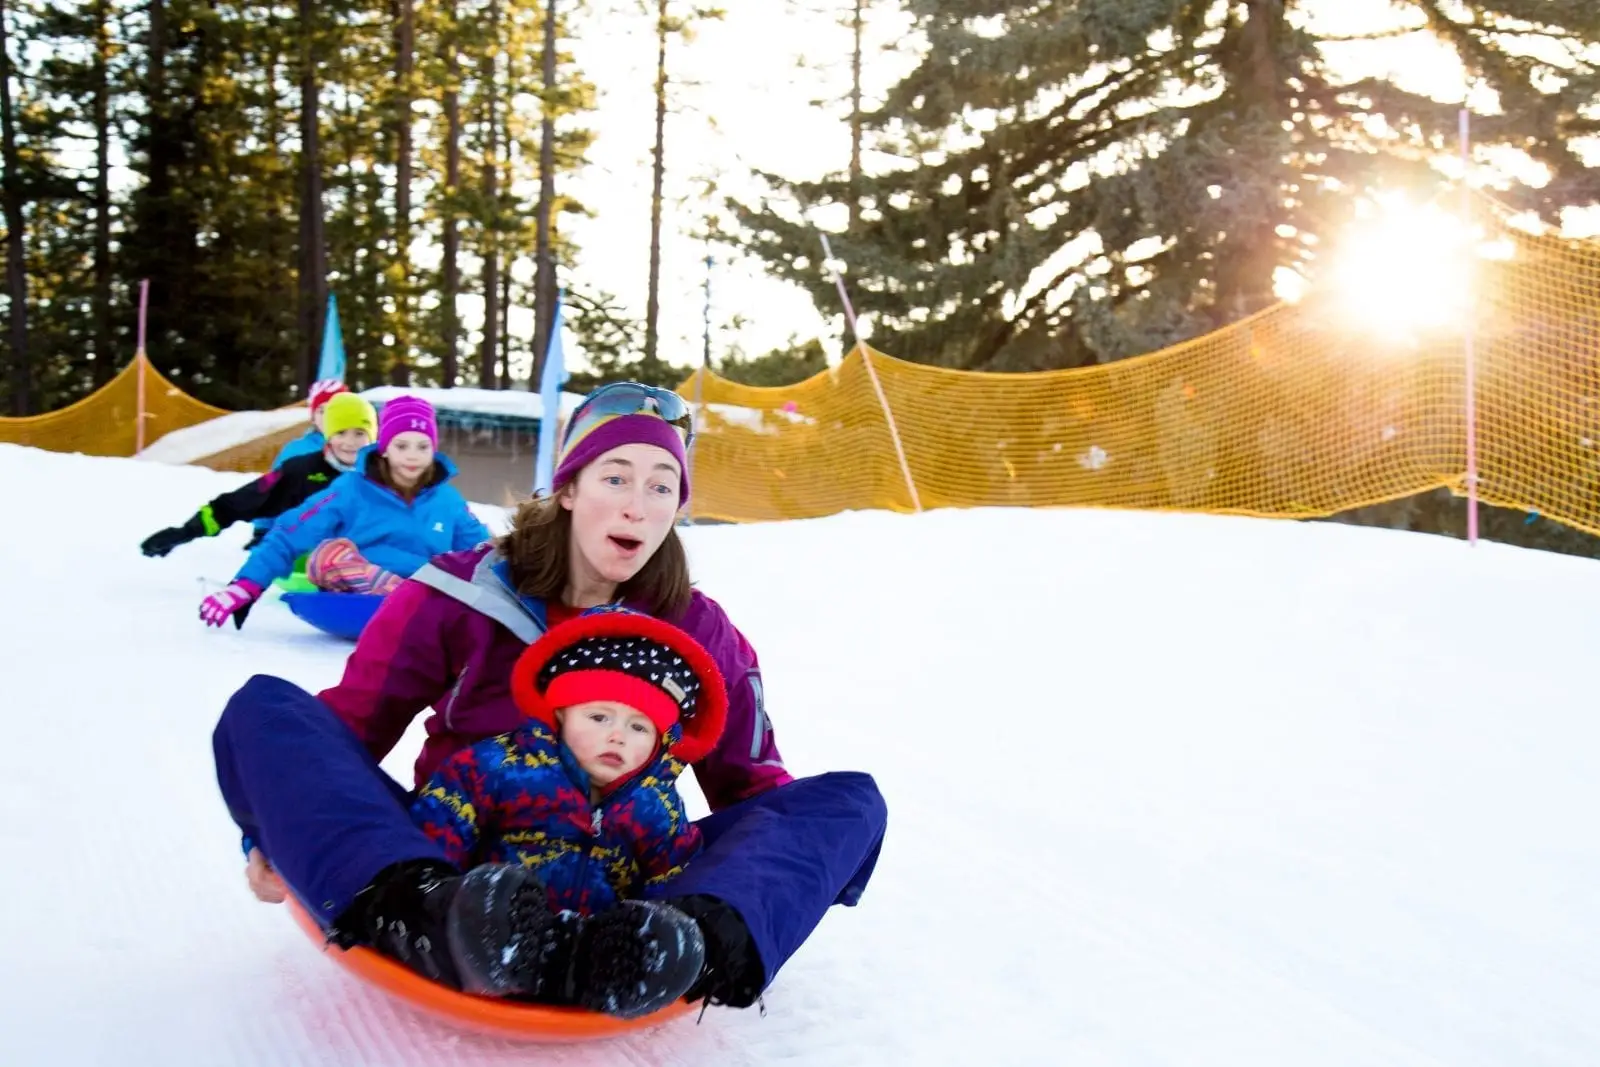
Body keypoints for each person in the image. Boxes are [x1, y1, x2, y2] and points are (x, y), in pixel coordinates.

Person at [211, 380, 887, 1019]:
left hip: (626, 895)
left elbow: (752, 783)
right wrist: (277, 824)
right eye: (616, 477)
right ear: (568, 488)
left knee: (849, 802)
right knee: (265, 711)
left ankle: (668, 950)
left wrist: (757, 882)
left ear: (677, 507)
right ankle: (425, 919)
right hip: (454, 869)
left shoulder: (700, 630)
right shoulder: (459, 593)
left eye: (661, 486)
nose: (636, 504)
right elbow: (349, 727)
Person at [406, 605, 729, 1014]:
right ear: (558, 715)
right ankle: (490, 949)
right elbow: (443, 822)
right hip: (496, 929)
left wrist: (664, 926)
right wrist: (435, 887)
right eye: (598, 716)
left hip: (591, 944)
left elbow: (674, 874)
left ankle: (615, 979)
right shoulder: (502, 766)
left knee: (666, 928)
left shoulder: (657, 804)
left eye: (639, 727)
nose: (617, 736)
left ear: (661, 743)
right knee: (488, 893)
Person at [199, 395, 490, 628]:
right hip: (357, 591)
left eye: (422, 446)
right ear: (385, 448)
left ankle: (410, 598)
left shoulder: (447, 501)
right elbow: (291, 532)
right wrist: (246, 586)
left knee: (459, 574)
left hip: (424, 589)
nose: (413, 455)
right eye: (402, 445)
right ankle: (402, 596)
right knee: (328, 555)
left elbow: (484, 553)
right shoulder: (351, 490)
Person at [139, 393, 379, 559]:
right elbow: (243, 500)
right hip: (313, 560)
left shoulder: (385, 473)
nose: (350, 443)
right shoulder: (302, 470)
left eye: (360, 433)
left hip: (375, 559)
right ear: (327, 434)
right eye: (341, 432)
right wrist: (186, 531)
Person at [246, 378, 351, 547]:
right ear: (312, 416)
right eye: (322, 411)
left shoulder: (360, 450)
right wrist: (262, 529)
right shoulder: (296, 450)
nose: (329, 417)